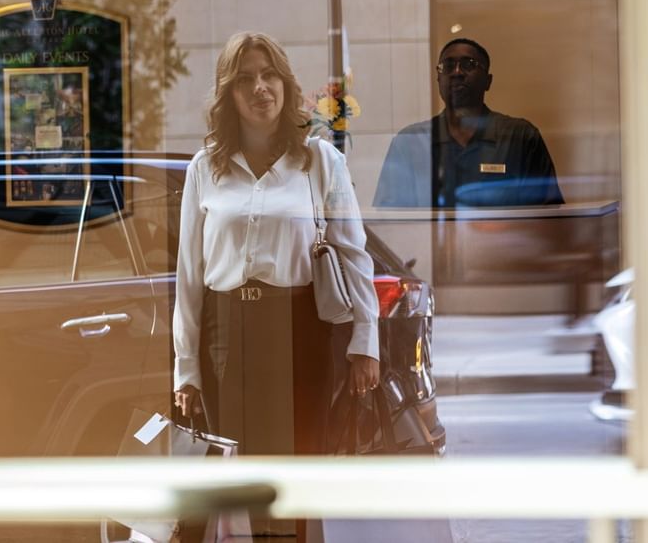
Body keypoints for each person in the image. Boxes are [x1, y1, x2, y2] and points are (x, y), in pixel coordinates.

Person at [172, 31, 380, 462]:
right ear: (229, 94)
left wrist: (365, 341)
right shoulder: (204, 168)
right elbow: (189, 277)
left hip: (299, 327)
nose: (260, 88)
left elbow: (354, 255)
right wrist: (186, 367)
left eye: (269, 75)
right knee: (234, 468)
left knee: (301, 461)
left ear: (285, 84)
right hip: (224, 332)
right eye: (245, 79)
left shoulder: (320, 161)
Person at [373, 38, 564, 208]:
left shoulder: (520, 137)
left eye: (468, 64)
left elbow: (548, 220)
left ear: (488, 81)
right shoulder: (409, 142)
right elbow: (390, 222)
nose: (457, 72)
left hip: (502, 240)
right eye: (448, 66)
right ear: (438, 79)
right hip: (428, 240)